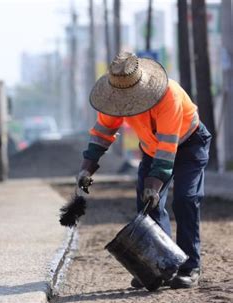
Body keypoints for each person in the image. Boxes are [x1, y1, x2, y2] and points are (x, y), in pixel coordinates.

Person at [78, 52, 212, 289]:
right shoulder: (115, 98)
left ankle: (190, 267)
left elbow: (168, 145)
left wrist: (155, 183)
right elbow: (103, 131)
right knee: (148, 207)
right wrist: (87, 168)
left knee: (185, 199)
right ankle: (159, 266)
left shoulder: (168, 94)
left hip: (189, 144)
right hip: (153, 149)